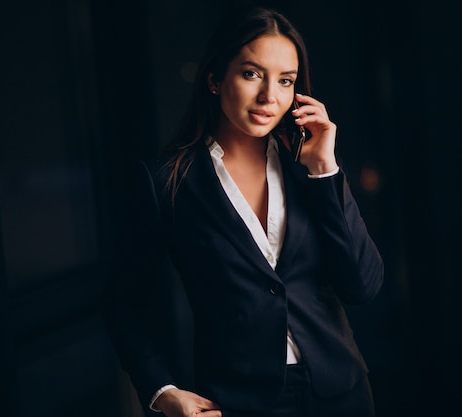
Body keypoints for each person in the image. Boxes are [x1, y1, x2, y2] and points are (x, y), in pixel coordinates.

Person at [102, 4, 384, 417]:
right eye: (252, 74)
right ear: (215, 80)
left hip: (341, 394)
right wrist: (161, 390)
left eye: (285, 81)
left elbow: (363, 286)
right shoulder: (168, 182)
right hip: (238, 401)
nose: (270, 97)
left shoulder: (308, 167)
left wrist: (326, 170)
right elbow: (121, 303)